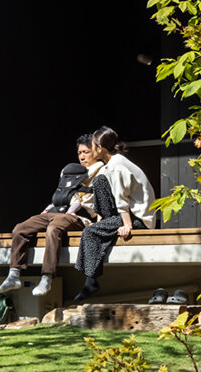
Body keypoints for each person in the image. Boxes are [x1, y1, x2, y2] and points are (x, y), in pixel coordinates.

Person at [0, 134, 105, 296]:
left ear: (96, 151)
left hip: (78, 216)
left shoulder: (103, 172)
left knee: (53, 229)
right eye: (79, 152)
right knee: (21, 228)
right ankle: (14, 274)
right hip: (57, 211)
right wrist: (47, 209)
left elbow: (102, 203)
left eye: (86, 152)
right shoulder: (69, 172)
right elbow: (61, 195)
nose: (82, 156)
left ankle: (47, 277)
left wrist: (100, 224)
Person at [72, 126, 156, 302]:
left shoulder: (117, 167)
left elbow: (121, 200)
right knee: (99, 182)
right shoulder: (113, 164)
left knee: (90, 232)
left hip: (138, 217)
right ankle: (90, 273)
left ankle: (91, 281)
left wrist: (127, 225)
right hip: (125, 214)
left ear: (100, 148)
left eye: (92, 146)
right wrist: (104, 220)